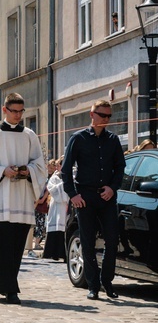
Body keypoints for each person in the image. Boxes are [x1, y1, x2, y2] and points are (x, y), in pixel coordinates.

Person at [0, 93, 47, 305]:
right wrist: (2, 171)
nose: (18, 115)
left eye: (21, 111)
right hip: (1, 198)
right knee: (2, 244)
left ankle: (10, 285)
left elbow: (40, 165)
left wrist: (28, 171)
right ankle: (7, 289)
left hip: (23, 197)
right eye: (14, 111)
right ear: (5, 110)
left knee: (17, 245)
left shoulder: (29, 135)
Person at [61, 99, 125, 300]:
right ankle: (93, 285)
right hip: (85, 196)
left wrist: (113, 188)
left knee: (112, 240)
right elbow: (65, 169)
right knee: (87, 241)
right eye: (102, 115)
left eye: (109, 116)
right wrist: (73, 195)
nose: (106, 119)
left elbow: (120, 168)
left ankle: (107, 281)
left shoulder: (113, 140)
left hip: (106, 196)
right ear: (92, 114)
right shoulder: (78, 138)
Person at [43, 157, 69, 262]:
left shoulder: (70, 175)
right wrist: (63, 184)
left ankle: (64, 254)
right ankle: (54, 253)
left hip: (66, 205)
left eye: (59, 165)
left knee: (65, 229)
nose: (57, 167)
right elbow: (51, 188)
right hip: (56, 205)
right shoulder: (54, 177)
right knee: (56, 228)